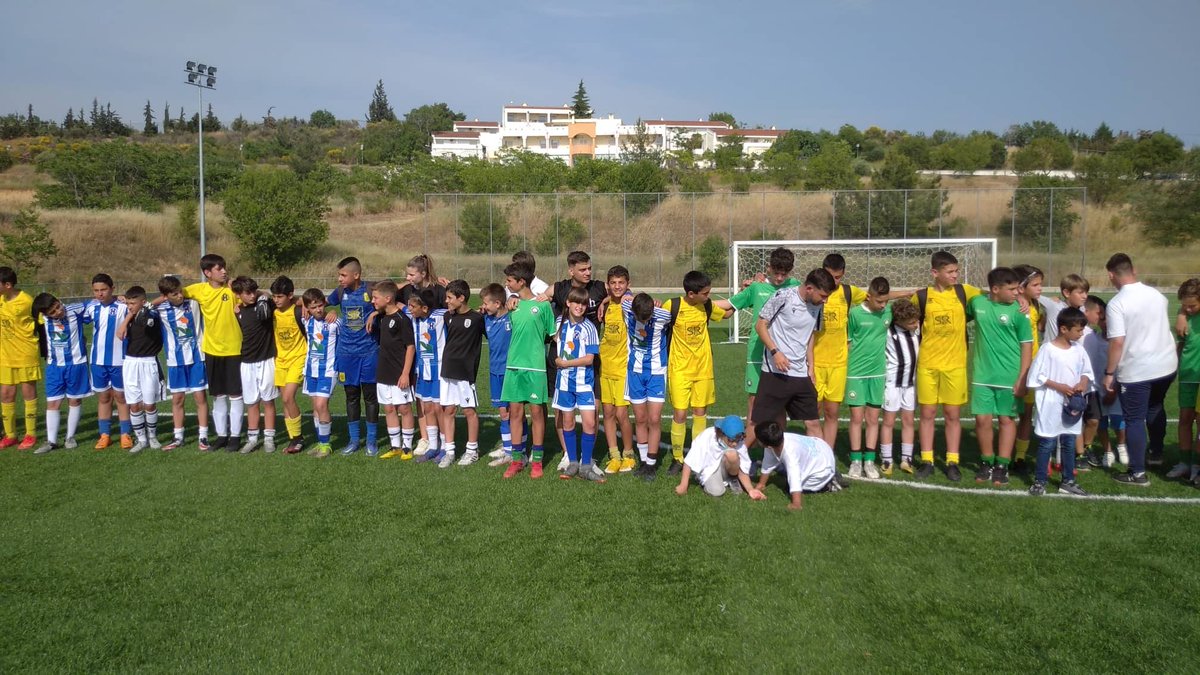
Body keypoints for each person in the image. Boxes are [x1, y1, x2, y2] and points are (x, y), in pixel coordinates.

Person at [1103, 253, 1177, 486]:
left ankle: (1137, 473)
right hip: (1166, 364)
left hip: (1137, 370)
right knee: (1155, 406)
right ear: (1133, 270)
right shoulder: (1157, 295)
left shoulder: (1117, 303)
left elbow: (1117, 342)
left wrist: (1109, 373)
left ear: (1111, 275)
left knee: (1134, 419)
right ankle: (1155, 453)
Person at [912, 251, 982, 480]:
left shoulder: (965, 292)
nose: (955, 275)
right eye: (950, 271)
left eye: (956, 271)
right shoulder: (922, 297)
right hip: (928, 365)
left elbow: (993, 297)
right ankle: (927, 459)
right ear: (935, 273)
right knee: (928, 414)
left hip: (955, 366)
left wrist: (1021, 297)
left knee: (953, 415)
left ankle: (952, 461)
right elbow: (907, 320)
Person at [727, 247, 800, 449]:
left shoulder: (796, 286)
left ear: (791, 271)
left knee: (779, 405)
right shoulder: (757, 288)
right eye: (775, 272)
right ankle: (745, 454)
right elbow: (727, 307)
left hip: (783, 355)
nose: (779, 278)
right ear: (768, 267)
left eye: (784, 274)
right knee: (754, 403)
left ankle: (778, 452)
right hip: (758, 354)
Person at [968, 267, 1033, 486]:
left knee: (1006, 419)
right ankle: (986, 461)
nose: (1017, 293)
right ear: (995, 289)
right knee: (982, 419)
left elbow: (1027, 346)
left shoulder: (1020, 312)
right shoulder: (978, 304)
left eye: (1019, 289)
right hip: (982, 375)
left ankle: (1002, 465)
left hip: (1009, 376)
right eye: (1012, 289)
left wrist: (1022, 377)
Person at [751, 269, 835, 438]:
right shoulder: (783, 297)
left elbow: (810, 335)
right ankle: (738, 460)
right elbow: (760, 326)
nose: (825, 300)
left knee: (812, 422)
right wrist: (776, 352)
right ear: (810, 288)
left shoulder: (818, 306)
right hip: (776, 372)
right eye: (823, 295)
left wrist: (811, 367)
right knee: (759, 422)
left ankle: (821, 463)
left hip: (801, 373)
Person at [665, 270, 735, 474]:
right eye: (705, 293)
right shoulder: (674, 306)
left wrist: (744, 296)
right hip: (679, 370)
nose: (708, 296)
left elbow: (727, 313)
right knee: (679, 414)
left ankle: (696, 456)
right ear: (691, 293)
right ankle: (677, 458)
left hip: (703, 370)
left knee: (700, 413)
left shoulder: (706, 305)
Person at [544, 251, 608, 473]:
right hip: (561, 368)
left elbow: (623, 292)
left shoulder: (599, 288)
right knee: (563, 414)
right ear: (571, 270)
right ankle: (568, 456)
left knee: (592, 414)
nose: (588, 272)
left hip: (585, 370)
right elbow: (539, 304)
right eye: (583, 269)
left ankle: (588, 460)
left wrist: (607, 300)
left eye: (590, 268)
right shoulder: (559, 290)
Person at [177, 254, 244, 451]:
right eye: (219, 268)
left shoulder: (232, 289)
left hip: (235, 349)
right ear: (207, 273)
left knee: (235, 394)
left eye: (224, 267)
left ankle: (235, 437)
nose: (224, 271)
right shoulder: (199, 290)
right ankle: (222, 435)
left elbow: (256, 294)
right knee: (218, 395)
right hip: (212, 351)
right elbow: (173, 292)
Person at [1026, 308, 1093, 496]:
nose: (1081, 334)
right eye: (1078, 330)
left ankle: (1068, 481)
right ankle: (1040, 481)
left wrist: (1082, 382)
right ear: (1064, 329)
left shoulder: (1079, 350)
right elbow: (1036, 376)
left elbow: (1087, 372)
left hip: (1072, 406)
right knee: (1047, 443)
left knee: (1069, 442)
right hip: (1051, 404)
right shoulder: (1047, 349)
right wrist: (1059, 386)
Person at [501, 262, 556, 479]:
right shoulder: (511, 306)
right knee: (515, 413)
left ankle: (537, 461)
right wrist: (507, 303)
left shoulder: (542, 306)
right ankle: (517, 460)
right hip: (514, 366)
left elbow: (552, 335)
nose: (506, 284)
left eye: (509, 280)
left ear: (521, 281)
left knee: (536, 413)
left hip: (535, 367)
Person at [811, 254, 868, 450]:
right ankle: (814, 451)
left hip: (838, 364)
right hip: (815, 363)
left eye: (838, 277)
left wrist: (908, 293)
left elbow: (876, 297)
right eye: (831, 276)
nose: (834, 281)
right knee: (813, 412)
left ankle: (827, 454)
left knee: (832, 412)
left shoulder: (848, 292)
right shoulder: (813, 291)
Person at [326, 257, 380, 456]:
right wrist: (329, 309)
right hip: (346, 353)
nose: (339, 279)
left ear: (356, 275)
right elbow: (315, 302)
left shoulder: (370, 290)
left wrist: (375, 313)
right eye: (339, 275)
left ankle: (372, 442)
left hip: (369, 352)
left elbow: (392, 292)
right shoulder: (340, 293)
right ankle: (354, 440)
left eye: (343, 275)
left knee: (370, 397)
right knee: (351, 396)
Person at [554, 287, 604, 482]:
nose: (580, 307)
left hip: (584, 382)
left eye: (583, 304)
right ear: (568, 303)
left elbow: (590, 359)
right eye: (576, 302)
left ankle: (585, 464)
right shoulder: (559, 323)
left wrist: (565, 363)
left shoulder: (590, 328)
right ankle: (573, 462)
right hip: (564, 382)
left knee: (590, 423)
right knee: (567, 422)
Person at [155, 275, 209, 451]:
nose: (179, 296)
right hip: (175, 360)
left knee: (200, 397)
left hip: (197, 358)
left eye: (180, 291)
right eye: (174, 294)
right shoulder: (161, 310)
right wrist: (159, 300)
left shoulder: (193, 303)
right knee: (177, 399)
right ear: (165, 296)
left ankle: (203, 436)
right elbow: (142, 306)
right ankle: (178, 437)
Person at [31, 293, 90, 454]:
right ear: (45, 314)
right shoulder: (41, 319)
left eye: (58, 306)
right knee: (53, 403)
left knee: (75, 400)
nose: (58, 311)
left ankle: (70, 437)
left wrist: (118, 298)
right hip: (54, 366)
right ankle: (51, 441)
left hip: (76, 364)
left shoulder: (74, 310)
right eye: (53, 311)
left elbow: (93, 303)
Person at [845, 277, 892, 479]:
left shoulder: (889, 312)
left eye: (886, 302)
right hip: (856, 372)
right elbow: (848, 342)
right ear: (869, 296)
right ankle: (855, 461)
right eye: (879, 302)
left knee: (873, 418)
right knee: (856, 418)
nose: (883, 306)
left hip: (878, 372)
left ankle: (869, 461)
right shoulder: (855, 314)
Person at [623, 292, 673, 481]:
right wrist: (632, 295)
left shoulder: (663, 315)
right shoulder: (627, 308)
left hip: (656, 373)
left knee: (654, 419)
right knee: (641, 418)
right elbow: (624, 296)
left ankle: (651, 464)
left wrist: (654, 303)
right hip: (634, 372)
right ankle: (644, 462)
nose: (643, 321)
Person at [438, 279, 485, 468]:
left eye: (450, 298)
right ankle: (449, 451)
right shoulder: (447, 317)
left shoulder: (477, 319)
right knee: (448, 410)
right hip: (448, 370)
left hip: (466, 373)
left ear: (461, 298)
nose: (447, 301)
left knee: (468, 411)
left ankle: (472, 450)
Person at [115, 286, 165, 453]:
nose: (129, 306)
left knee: (149, 404)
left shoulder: (150, 314)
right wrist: (127, 316)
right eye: (128, 303)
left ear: (143, 302)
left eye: (133, 303)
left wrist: (137, 313)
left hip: (149, 362)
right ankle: (142, 439)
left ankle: (152, 436)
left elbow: (149, 311)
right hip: (130, 363)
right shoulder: (128, 314)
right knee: (134, 405)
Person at [370, 280, 417, 460]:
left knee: (404, 409)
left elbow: (410, 347)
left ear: (388, 298)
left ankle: (407, 447)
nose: (373, 301)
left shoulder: (402, 319)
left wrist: (405, 373)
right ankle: (395, 446)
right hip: (383, 371)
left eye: (376, 298)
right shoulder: (382, 317)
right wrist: (373, 313)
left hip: (399, 373)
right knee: (389, 408)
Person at [86, 273, 132, 450]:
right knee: (104, 397)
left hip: (119, 360)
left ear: (112, 289)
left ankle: (125, 434)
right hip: (98, 361)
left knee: (120, 397)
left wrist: (124, 299)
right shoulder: (90, 307)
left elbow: (138, 307)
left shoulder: (123, 306)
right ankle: (104, 435)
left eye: (103, 289)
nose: (100, 294)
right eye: (96, 290)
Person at [232, 276, 277, 454]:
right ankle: (252, 439)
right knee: (251, 402)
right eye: (247, 293)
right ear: (238, 295)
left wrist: (263, 296)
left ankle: (269, 438)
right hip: (246, 362)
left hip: (266, 359)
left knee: (268, 400)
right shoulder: (237, 311)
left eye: (253, 292)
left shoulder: (265, 304)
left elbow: (288, 299)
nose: (252, 296)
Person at [597, 265, 635, 474]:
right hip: (606, 368)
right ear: (608, 285)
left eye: (621, 283)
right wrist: (605, 301)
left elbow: (645, 304)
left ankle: (629, 454)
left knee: (622, 414)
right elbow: (609, 298)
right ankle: (614, 456)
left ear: (628, 284)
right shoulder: (608, 304)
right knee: (608, 413)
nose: (617, 286)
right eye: (613, 283)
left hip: (623, 369)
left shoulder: (630, 304)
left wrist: (632, 296)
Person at [1081, 295, 1127, 468]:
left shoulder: (1121, 341)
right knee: (1100, 421)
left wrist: (1114, 387)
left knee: (1119, 420)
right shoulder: (1092, 338)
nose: (1105, 323)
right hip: (1097, 387)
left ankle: (1121, 446)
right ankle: (1107, 450)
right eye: (1102, 319)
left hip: (1117, 386)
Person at [754, 421, 840, 511]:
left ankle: (829, 484)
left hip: (822, 467)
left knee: (790, 487)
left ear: (765, 444)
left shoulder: (790, 454)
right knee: (787, 476)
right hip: (821, 448)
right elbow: (768, 463)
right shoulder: (776, 441)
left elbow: (794, 477)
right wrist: (761, 484)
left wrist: (796, 503)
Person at [674, 415, 764, 499]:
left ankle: (733, 479)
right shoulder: (707, 436)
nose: (735, 443)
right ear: (721, 433)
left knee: (732, 454)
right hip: (708, 470)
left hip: (727, 467)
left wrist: (750, 489)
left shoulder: (740, 441)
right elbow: (689, 461)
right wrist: (683, 485)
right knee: (717, 492)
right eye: (731, 440)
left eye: (737, 440)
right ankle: (707, 481)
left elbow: (743, 468)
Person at [0, 267, 40, 450]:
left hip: (25, 354)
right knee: (6, 394)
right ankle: (10, 436)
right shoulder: (1, 299)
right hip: (6, 357)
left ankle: (31, 434)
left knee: (28, 394)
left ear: (8, 285)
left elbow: (41, 322)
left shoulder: (26, 301)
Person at [880, 299, 920, 475]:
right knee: (888, 421)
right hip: (892, 384)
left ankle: (906, 458)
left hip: (910, 384)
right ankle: (887, 459)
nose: (915, 324)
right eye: (911, 322)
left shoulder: (917, 331)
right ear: (898, 321)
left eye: (916, 320)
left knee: (908, 421)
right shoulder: (888, 332)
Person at [408, 287, 448, 464]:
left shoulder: (441, 316)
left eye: (413, 306)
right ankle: (433, 446)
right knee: (427, 408)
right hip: (422, 370)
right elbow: (394, 306)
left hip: (439, 370)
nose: (410, 309)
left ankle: (446, 446)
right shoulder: (413, 317)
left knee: (439, 408)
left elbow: (459, 307)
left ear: (424, 308)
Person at [1012, 264, 1045, 473]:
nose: (1041, 288)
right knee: (1007, 414)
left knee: (1026, 413)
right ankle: (1002, 455)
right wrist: (1017, 297)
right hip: (1011, 367)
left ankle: (1020, 456)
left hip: (1032, 369)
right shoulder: (1014, 305)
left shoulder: (1038, 306)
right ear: (1021, 287)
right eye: (1036, 284)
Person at [1168, 278, 1200, 482]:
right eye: (1184, 306)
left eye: (1192, 305)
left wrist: (1181, 313)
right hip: (1188, 376)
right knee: (1185, 420)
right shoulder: (1184, 318)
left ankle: (1197, 465)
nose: (1188, 309)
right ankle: (1184, 462)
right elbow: (1180, 346)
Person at [270, 276, 307, 454]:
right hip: (281, 361)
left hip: (298, 358)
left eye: (280, 296)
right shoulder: (272, 311)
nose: (276, 300)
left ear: (290, 295)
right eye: (274, 296)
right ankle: (294, 438)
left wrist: (304, 303)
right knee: (285, 401)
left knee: (288, 398)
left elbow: (318, 308)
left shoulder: (298, 311)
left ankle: (298, 437)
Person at [479, 283, 514, 467]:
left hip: (510, 373)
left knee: (514, 412)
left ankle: (517, 449)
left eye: (486, 303)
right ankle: (508, 449)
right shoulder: (486, 319)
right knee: (503, 412)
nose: (484, 306)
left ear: (498, 303)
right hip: (494, 372)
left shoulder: (512, 318)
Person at [301, 288, 337, 458]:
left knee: (322, 405)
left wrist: (334, 313)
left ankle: (326, 445)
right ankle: (320, 441)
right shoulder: (305, 320)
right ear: (307, 308)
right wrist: (301, 304)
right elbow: (290, 300)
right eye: (314, 307)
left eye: (321, 305)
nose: (319, 310)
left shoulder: (334, 322)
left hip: (328, 371)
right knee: (316, 407)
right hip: (310, 370)